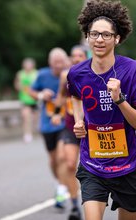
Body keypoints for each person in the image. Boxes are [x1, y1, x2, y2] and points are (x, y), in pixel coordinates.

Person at [67, 1, 136, 219]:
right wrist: (78, 120)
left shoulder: (133, 71)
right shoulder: (76, 73)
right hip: (92, 163)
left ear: (117, 38)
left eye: (106, 35)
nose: (99, 40)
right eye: (94, 34)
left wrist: (120, 99)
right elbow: (75, 95)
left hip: (127, 165)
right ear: (87, 37)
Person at [28, 48, 70, 210]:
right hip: (47, 123)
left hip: (65, 122)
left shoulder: (69, 75)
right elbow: (31, 91)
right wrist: (40, 95)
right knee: (53, 159)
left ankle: (61, 189)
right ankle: (59, 181)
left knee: (62, 157)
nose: (59, 65)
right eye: (56, 62)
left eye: (61, 61)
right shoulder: (43, 75)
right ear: (50, 62)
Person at [52, 45, 88, 220]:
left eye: (80, 55)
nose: (76, 58)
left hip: (91, 129)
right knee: (69, 164)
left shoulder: (92, 75)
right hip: (70, 126)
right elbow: (60, 96)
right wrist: (56, 113)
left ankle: (95, 198)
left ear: (86, 57)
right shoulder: (65, 76)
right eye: (73, 55)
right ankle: (75, 205)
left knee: (92, 168)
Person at [14, 58, 38, 143]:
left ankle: (35, 131)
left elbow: (39, 85)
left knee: (35, 118)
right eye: (26, 65)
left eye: (30, 64)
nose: (28, 66)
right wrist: (19, 86)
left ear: (33, 65)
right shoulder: (20, 74)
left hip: (35, 99)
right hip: (25, 99)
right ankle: (27, 134)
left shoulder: (36, 73)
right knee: (26, 116)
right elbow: (16, 84)